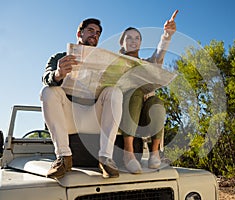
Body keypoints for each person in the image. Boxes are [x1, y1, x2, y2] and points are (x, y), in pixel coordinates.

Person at [40, 18, 123, 179]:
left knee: (115, 92)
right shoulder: (59, 57)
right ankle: (64, 158)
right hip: (68, 116)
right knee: (48, 91)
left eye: (98, 33)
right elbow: (46, 77)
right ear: (80, 33)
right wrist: (59, 74)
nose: (95, 35)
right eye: (91, 31)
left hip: (94, 116)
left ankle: (105, 158)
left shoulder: (104, 61)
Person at [119, 10, 178, 173]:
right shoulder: (115, 63)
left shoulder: (147, 63)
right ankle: (128, 153)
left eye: (137, 38)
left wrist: (167, 35)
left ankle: (154, 153)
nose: (133, 41)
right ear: (122, 43)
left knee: (157, 103)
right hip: (125, 111)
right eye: (129, 38)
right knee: (134, 93)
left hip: (145, 116)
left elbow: (159, 56)